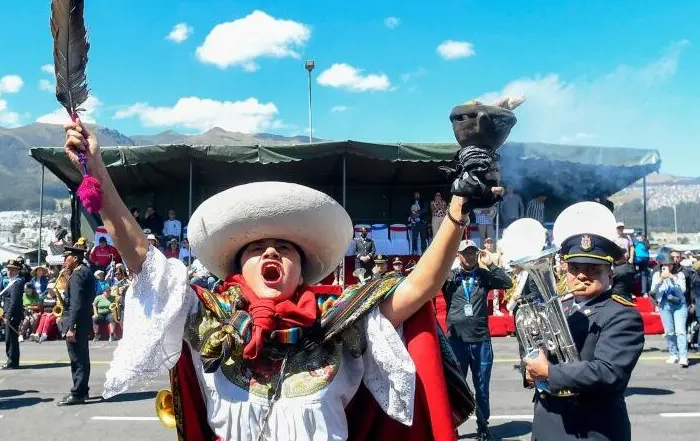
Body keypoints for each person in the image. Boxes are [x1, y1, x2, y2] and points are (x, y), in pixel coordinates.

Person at [63, 105, 511, 440]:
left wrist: (458, 206)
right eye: (257, 248)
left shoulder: (340, 320)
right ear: (239, 265)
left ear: (303, 268)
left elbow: (420, 286)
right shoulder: (208, 319)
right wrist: (95, 168)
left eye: (284, 248)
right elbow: (141, 255)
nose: (271, 252)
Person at [522, 202, 644, 441]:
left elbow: (608, 372)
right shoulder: (559, 307)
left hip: (589, 430)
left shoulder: (622, 314)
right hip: (546, 425)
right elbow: (537, 350)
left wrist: (549, 372)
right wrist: (529, 371)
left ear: (609, 273)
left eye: (592, 269)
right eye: (575, 267)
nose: (581, 275)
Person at [442, 240, 513, 440]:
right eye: (465, 253)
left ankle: (483, 427)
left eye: (473, 252)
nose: (470, 256)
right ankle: (452, 427)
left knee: (482, 389)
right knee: (456, 388)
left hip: (481, 340)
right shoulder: (451, 277)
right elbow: (432, 282)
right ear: (459, 255)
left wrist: (490, 263)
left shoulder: (483, 276)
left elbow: (507, 283)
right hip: (456, 341)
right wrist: (447, 263)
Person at [57, 244, 95, 406]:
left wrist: (71, 327)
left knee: (77, 359)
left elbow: (77, 304)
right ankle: (83, 390)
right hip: (83, 320)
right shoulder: (84, 272)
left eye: (67, 257)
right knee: (82, 358)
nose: (65, 260)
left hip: (76, 324)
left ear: (76, 258)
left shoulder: (78, 275)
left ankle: (78, 393)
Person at [650, 254, 688, 367]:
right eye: (664, 264)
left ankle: (683, 356)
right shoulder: (657, 274)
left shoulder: (679, 274)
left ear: (673, 265)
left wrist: (673, 278)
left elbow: (683, 290)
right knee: (669, 331)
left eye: (669, 264)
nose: (667, 266)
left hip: (679, 305)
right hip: (664, 305)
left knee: (680, 331)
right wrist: (660, 279)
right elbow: (653, 290)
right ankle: (673, 354)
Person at [0, 259, 25, 370]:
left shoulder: (16, 283)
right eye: (8, 269)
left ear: (18, 270)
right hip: (9, 313)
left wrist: (8, 317)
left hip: (12, 314)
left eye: (13, 269)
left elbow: (14, 302)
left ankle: (12, 362)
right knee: (10, 338)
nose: (9, 271)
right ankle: (12, 360)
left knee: (11, 339)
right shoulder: (11, 281)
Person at [610, 222, 636, 301]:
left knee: (628, 278)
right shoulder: (613, 238)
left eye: (621, 227)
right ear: (616, 229)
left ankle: (628, 293)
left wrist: (631, 258)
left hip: (626, 262)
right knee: (616, 279)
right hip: (616, 263)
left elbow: (631, 247)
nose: (620, 229)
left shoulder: (627, 237)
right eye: (619, 228)